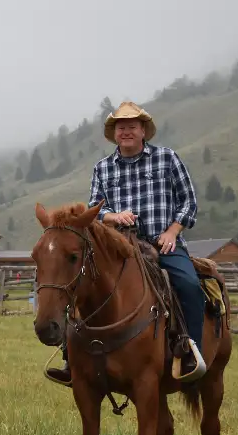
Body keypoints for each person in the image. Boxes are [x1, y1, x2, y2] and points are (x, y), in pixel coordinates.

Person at [45, 101, 207, 386]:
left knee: (190, 286)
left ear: (143, 130)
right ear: (114, 133)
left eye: (132, 126)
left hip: (162, 244)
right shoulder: (103, 168)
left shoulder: (167, 159)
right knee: (82, 283)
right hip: (119, 247)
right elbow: (94, 208)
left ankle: (190, 349)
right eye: (121, 127)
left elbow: (189, 201)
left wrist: (172, 231)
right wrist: (113, 215)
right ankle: (70, 357)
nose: (127, 131)